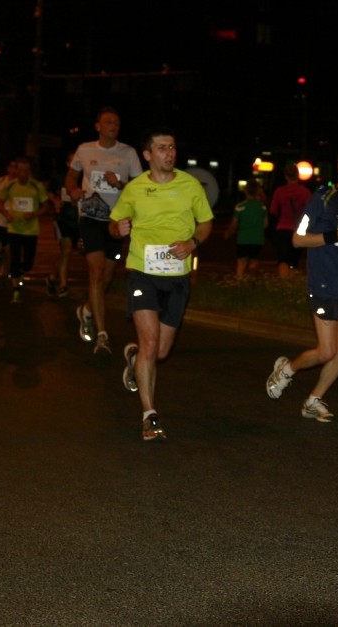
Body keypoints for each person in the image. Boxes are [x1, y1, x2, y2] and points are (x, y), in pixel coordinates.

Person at [109, 126, 213, 441]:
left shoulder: (190, 185)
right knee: (151, 345)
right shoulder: (135, 188)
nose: (170, 153)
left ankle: (133, 356)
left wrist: (193, 242)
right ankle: (149, 416)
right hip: (142, 272)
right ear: (148, 155)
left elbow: (206, 222)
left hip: (177, 277)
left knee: (161, 351)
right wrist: (119, 228)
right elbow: (114, 225)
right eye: (163, 148)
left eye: (172, 147)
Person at [265, 146, 338, 423]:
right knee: (327, 350)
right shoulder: (322, 199)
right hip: (325, 282)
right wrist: (333, 235)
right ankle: (287, 369)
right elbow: (297, 240)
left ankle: (313, 399)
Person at [66, 106, 143, 356]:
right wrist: (74, 191)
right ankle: (102, 334)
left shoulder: (128, 152)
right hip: (90, 216)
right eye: (109, 121)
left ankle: (87, 309)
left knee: (107, 277)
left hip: (116, 221)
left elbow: (140, 186)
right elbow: (70, 177)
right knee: (97, 273)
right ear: (98, 126)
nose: (113, 125)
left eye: (117, 122)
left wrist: (119, 183)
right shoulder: (85, 149)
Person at [0, 156, 51, 304]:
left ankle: (20, 272)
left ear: (30, 171)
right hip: (14, 229)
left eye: (25, 171)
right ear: (16, 171)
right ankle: (16, 289)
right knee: (14, 258)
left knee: (28, 263)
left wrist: (34, 214)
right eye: (20, 170)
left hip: (31, 230)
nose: (22, 174)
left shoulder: (36, 186)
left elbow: (46, 206)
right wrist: (6, 214)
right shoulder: (10, 185)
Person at [46, 151, 81, 298]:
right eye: (72, 162)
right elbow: (48, 191)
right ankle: (63, 285)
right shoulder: (59, 177)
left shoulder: (84, 179)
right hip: (62, 219)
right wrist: (55, 201)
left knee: (67, 253)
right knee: (66, 249)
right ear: (67, 164)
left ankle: (53, 277)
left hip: (78, 221)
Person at [268, 163, 311, 278]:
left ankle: (283, 286)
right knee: (294, 261)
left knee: (283, 260)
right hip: (299, 231)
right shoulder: (305, 192)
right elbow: (310, 213)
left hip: (282, 229)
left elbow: (273, 211)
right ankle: (291, 285)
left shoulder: (279, 192)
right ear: (298, 175)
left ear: (286, 176)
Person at [224, 178, 267, 280]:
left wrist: (228, 233)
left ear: (245, 191)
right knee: (254, 261)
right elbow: (265, 224)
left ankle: (239, 283)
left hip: (243, 238)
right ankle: (251, 282)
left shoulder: (240, 206)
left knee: (241, 262)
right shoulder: (262, 207)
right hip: (257, 239)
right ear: (257, 191)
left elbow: (234, 224)